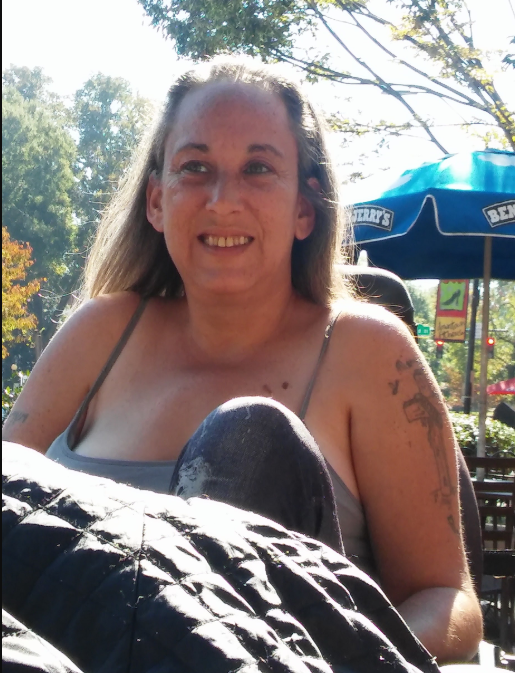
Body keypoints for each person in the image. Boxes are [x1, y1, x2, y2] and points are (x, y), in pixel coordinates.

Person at [3, 57, 482, 663]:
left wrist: (345, 659)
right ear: (156, 200)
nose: (223, 200)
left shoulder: (370, 354)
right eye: (195, 167)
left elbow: (447, 598)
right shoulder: (97, 333)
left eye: (258, 168)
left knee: (248, 439)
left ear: (305, 208)